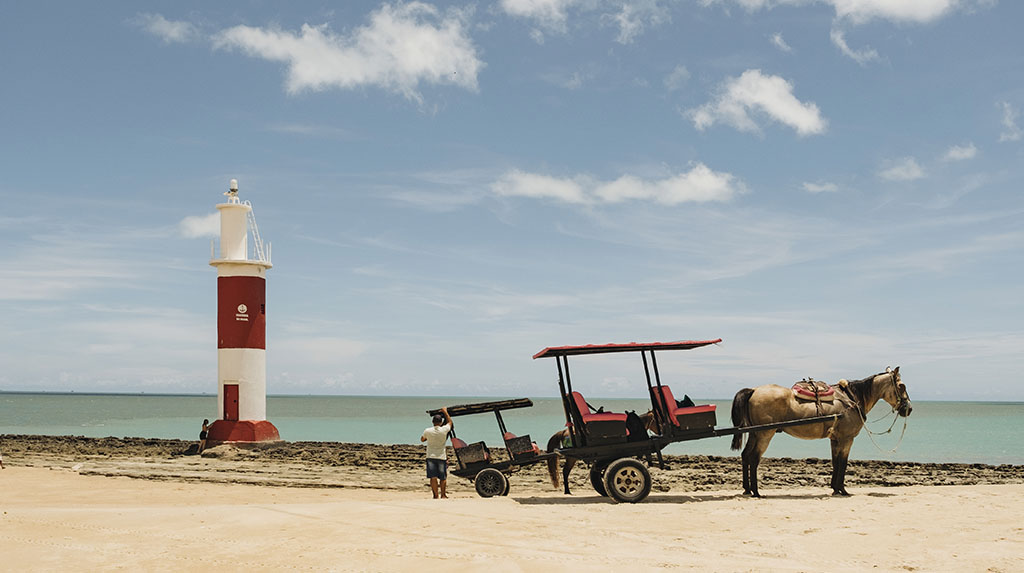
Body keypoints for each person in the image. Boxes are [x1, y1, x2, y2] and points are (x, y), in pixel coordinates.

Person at [420, 407, 453, 499]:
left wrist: (428, 438)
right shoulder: (444, 430)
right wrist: (445, 412)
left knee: (433, 477)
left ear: (433, 422)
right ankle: (443, 495)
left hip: (430, 456)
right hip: (441, 456)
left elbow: (422, 439)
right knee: (443, 477)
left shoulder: (428, 431)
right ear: (441, 422)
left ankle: (435, 495)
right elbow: (450, 422)